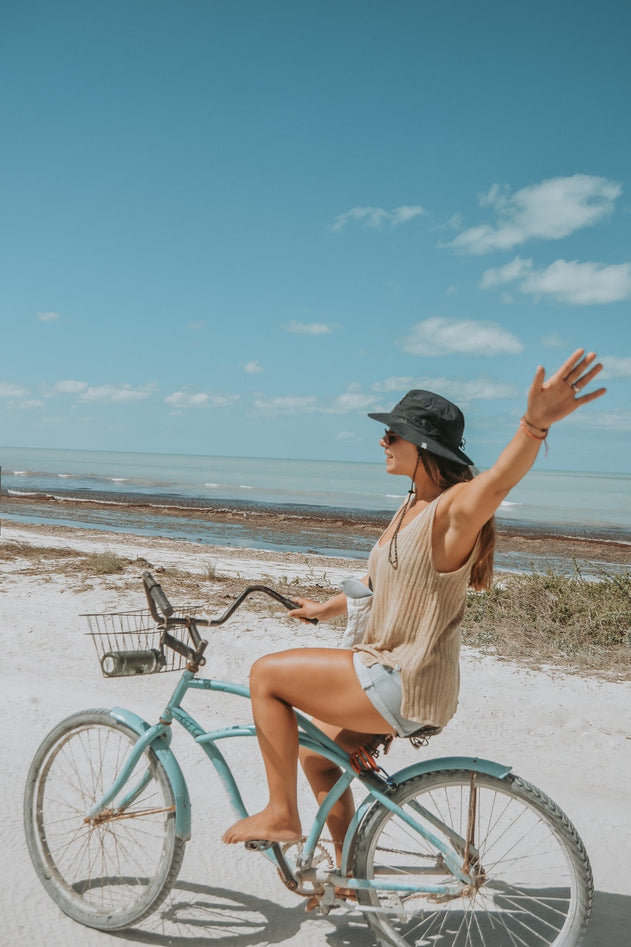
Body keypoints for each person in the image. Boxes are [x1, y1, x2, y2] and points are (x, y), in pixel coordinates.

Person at [222, 348, 605, 856]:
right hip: (396, 674)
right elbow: (382, 582)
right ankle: (349, 872)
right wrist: (324, 608)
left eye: (392, 435)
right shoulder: (411, 505)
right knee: (318, 757)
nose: (382, 442)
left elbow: (497, 483)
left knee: (266, 676)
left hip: (402, 678)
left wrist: (534, 425)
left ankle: (280, 813)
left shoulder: (450, 512)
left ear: (421, 445)